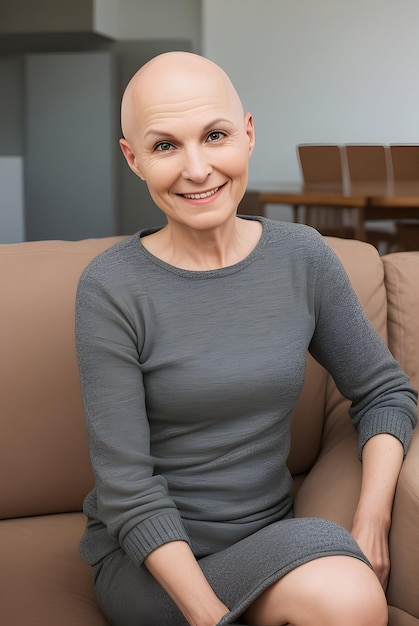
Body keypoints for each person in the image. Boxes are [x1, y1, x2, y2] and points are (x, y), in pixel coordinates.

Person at [75, 51, 417, 626]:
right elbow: (127, 490)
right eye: (164, 146)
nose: (197, 168)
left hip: (271, 540)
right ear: (133, 159)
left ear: (249, 134)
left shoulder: (302, 256)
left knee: (345, 582)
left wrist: (371, 523)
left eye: (215, 135)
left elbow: (386, 393)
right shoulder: (110, 286)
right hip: (152, 568)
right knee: (347, 594)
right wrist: (208, 615)